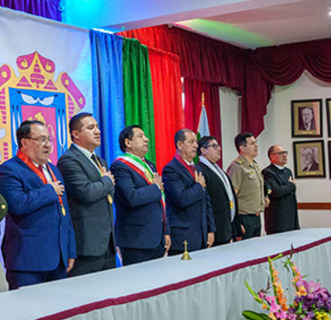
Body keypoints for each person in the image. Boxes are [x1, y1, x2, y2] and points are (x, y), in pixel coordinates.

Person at [0, 120, 76, 289]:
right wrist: (49, 191)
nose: (48, 146)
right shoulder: (9, 169)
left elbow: (65, 212)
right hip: (27, 260)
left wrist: (70, 250)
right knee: (28, 311)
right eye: (41, 140)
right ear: (25, 142)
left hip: (58, 258)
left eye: (49, 140)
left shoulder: (54, 170)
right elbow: (17, 204)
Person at [57, 113, 116, 276]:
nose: (97, 131)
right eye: (91, 128)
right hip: (87, 245)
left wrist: (106, 184)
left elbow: (109, 191)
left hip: (108, 243)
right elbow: (86, 192)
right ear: (76, 134)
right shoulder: (69, 160)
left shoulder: (100, 161)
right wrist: (107, 182)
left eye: (97, 127)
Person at [111, 125, 170, 265]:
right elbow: (131, 197)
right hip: (136, 240)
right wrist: (155, 187)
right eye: (140, 136)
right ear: (128, 142)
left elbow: (159, 201)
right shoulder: (120, 166)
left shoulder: (149, 165)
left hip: (157, 238)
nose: (146, 139)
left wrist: (166, 231)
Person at [162, 129, 215, 254]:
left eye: (196, 142)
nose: (196, 146)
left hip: (202, 234)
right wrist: (198, 186)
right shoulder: (171, 169)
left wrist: (211, 229)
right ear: (180, 145)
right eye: (191, 142)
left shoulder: (197, 168)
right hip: (183, 236)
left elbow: (206, 201)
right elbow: (181, 199)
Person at [198, 136, 243, 246]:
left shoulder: (217, 169)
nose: (219, 149)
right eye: (214, 146)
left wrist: (236, 224)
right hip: (216, 229)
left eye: (218, 146)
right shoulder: (200, 170)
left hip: (227, 226)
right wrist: (210, 229)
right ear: (203, 150)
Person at [227, 132, 269, 239]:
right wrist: (236, 222)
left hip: (256, 216)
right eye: (252, 144)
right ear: (242, 148)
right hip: (244, 218)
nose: (256, 146)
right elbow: (232, 196)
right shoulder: (237, 167)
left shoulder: (254, 165)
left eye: (256, 143)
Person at [262, 145, 299, 234]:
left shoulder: (288, 171)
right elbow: (276, 192)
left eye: (285, 152)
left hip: (291, 217)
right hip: (278, 220)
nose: (285, 155)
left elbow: (290, 192)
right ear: (272, 156)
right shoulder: (268, 172)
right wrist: (291, 185)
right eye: (281, 153)